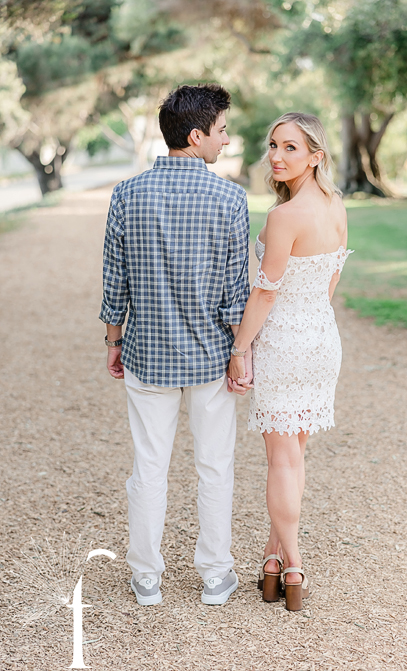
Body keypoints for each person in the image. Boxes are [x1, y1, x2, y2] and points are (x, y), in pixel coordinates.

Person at [100, 83, 249, 606]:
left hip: (146, 355)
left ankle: (146, 577)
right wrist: (241, 352)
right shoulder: (230, 198)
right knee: (215, 466)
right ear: (196, 135)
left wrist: (114, 340)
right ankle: (215, 576)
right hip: (210, 357)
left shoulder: (127, 194)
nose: (226, 141)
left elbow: (114, 278)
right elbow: (237, 291)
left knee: (149, 466)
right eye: (222, 130)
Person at [227, 112, 350, 612]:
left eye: (290, 148)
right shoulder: (337, 207)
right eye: (273, 145)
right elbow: (330, 283)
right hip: (322, 339)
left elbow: (263, 294)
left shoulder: (284, 217)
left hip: (283, 344)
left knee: (281, 458)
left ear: (316, 155)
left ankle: (294, 562)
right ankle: (271, 561)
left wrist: (240, 351)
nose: (276, 156)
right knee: (293, 456)